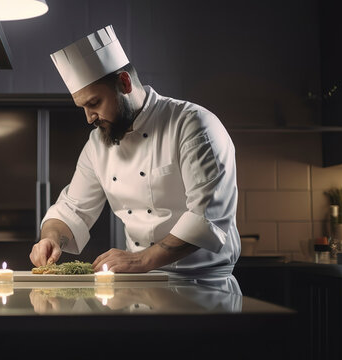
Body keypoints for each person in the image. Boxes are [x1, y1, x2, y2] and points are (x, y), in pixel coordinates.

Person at [29, 25, 241, 289]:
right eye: (82, 107)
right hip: (140, 286)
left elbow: (205, 216)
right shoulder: (97, 144)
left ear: (125, 83)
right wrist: (50, 238)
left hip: (203, 288)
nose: (89, 118)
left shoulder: (192, 125)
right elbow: (73, 208)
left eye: (94, 103)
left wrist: (140, 261)